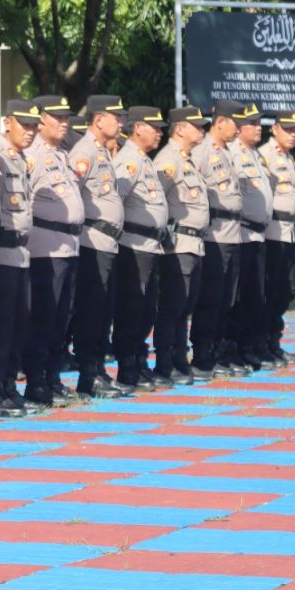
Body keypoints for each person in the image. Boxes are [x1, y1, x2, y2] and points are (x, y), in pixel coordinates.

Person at [22, 95, 85, 408]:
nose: (64, 123)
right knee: (44, 318)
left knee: (61, 317)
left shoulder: (61, 155)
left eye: (66, 118)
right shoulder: (32, 157)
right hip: (45, 249)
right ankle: (37, 382)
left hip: (68, 247)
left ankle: (52, 378)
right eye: (57, 118)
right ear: (40, 120)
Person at [0, 99, 40, 417]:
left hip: (21, 252)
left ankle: (8, 386)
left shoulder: (19, 158)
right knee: (1, 326)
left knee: (19, 323)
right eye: (25, 125)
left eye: (34, 126)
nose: (30, 132)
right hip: (2, 251)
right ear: (8, 124)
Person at [68, 95, 128, 398]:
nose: (120, 123)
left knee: (103, 311)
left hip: (107, 242)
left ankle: (97, 370)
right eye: (116, 118)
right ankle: (88, 374)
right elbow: (71, 192)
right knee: (92, 312)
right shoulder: (85, 151)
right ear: (98, 119)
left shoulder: (102, 152)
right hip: (91, 241)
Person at [111, 107, 169, 391]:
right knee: (132, 309)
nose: (159, 132)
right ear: (137, 129)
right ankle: (127, 367)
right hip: (132, 246)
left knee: (147, 309)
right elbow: (115, 203)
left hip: (150, 246)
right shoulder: (129, 162)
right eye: (154, 127)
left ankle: (139, 360)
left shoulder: (144, 160)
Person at [152, 105, 209, 386]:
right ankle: (165, 363)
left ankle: (179, 359)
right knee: (173, 306)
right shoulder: (168, 160)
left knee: (185, 306)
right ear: (180, 128)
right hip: (177, 244)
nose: (201, 130)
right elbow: (154, 199)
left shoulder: (187, 160)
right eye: (196, 125)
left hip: (194, 244)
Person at [191, 99, 246, 378]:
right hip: (214, 236)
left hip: (232, 235)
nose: (240, 129)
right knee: (211, 299)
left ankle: (218, 351)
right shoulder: (202, 152)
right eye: (236, 123)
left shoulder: (226, 153)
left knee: (228, 298)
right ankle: (202, 355)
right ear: (221, 122)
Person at [228, 103, 274, 370]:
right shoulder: (232, 153)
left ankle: (252, 345)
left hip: (258, 236)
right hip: (241, 234)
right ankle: (235, 347)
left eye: (259, 124)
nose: (258, 128)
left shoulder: (255, 155)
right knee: (240, 296)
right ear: (239, 127)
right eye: (252, 124)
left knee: (257, 294)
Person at [259, 110, 295, 366]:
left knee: (283, 291)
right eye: (288, 129)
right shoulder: (265, 156)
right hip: (272, 232)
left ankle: (274, 343)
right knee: (268, 290)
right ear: (274, 129)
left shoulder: (288, 159)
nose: (294, 135)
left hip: (287, 232)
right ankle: (262, 343)